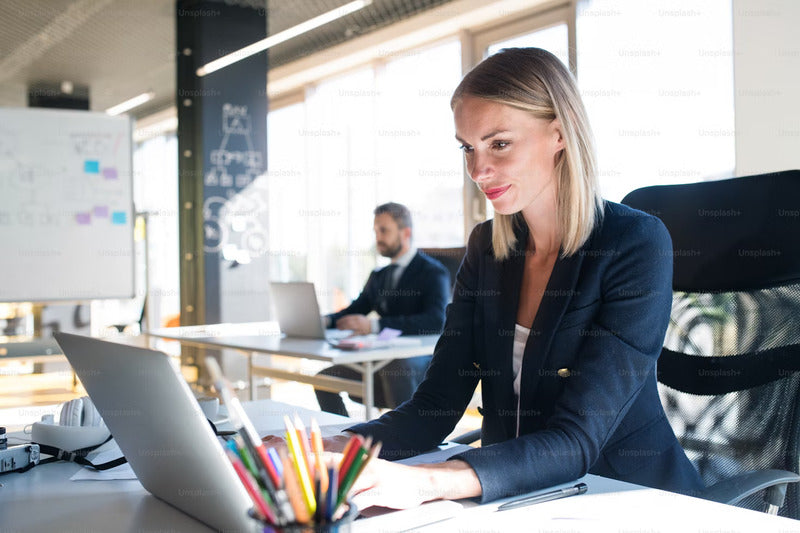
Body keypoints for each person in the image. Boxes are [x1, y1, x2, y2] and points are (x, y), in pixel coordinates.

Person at [329, 47, 705, 509]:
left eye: (499, 143)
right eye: (468, 147)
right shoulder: (487, 248)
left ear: (560, 134)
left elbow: (576, 440)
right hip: (521, 495)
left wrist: (425, 482)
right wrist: (331, 451)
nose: (477, 170)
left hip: (630, 499)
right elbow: (436, 405)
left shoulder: (635, 244)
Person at [314, 202, 451, 416]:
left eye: (384, 230)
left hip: (418, 359)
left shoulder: (433, 272)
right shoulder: (379, 276)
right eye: (376, 231)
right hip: (381, 357)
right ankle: (351, 442)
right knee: (324, 380)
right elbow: (355, 310)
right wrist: (324, 321)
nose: (378, 237)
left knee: (396, 369)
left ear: (406, 233)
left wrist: (374, 325)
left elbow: (435, 321)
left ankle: (405, 440)